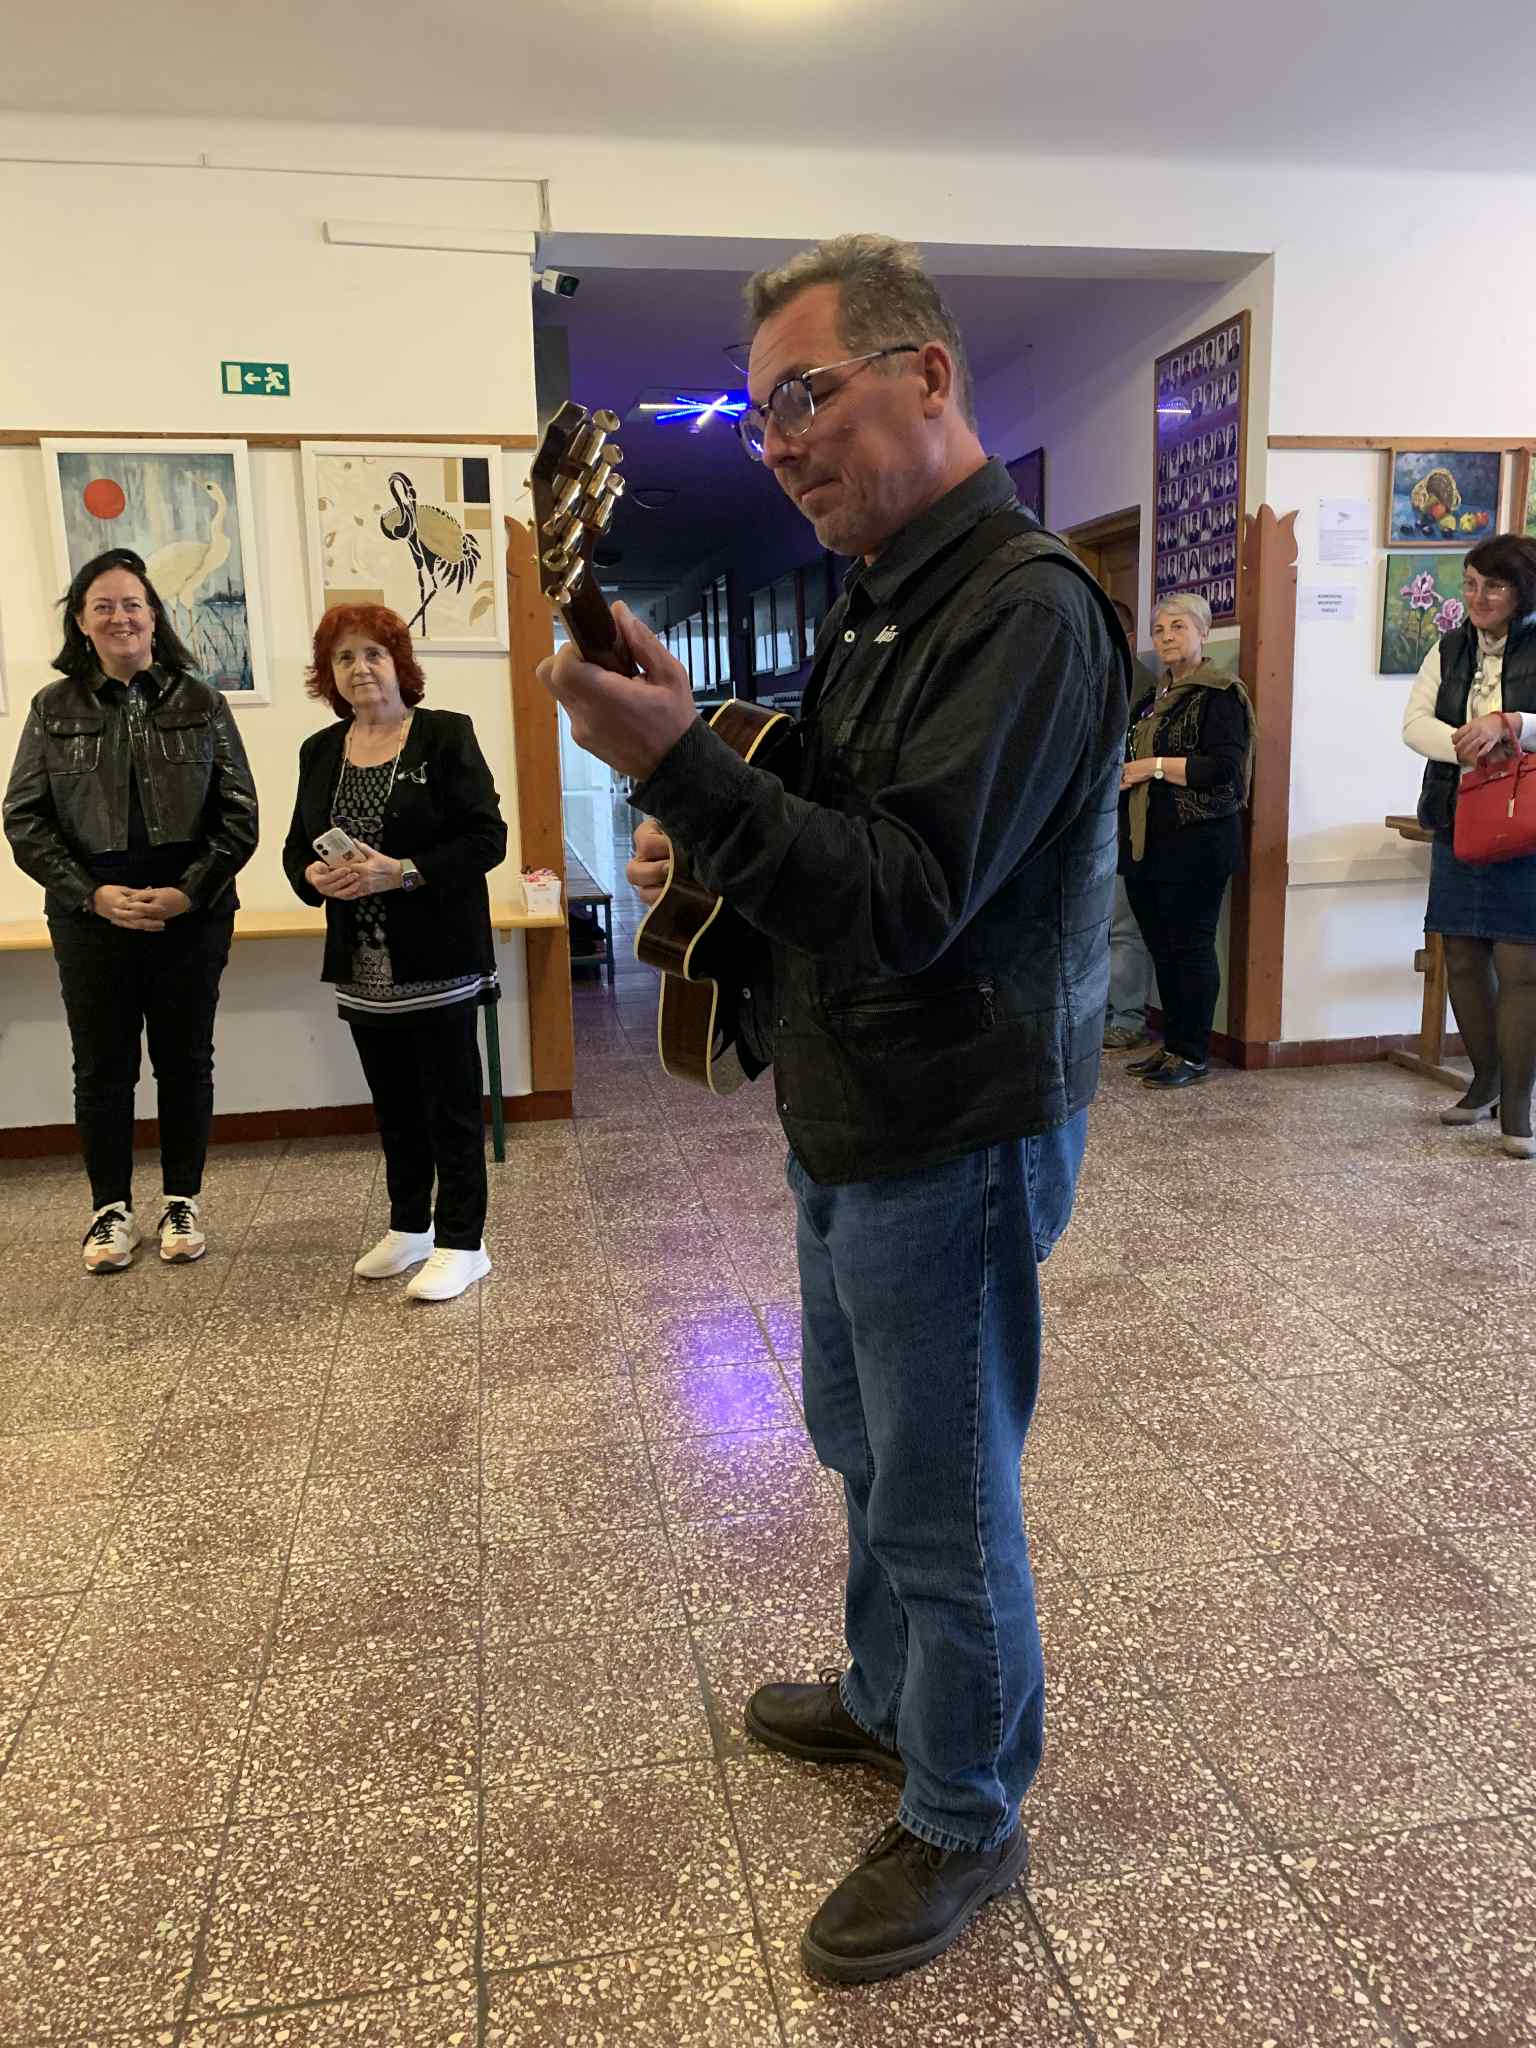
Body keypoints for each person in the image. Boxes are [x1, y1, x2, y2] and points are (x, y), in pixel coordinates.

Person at [541, 234, 1128, 1985]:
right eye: (762, 414)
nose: (779, 441)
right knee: (863, 1441)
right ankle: (888, 1696)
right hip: (853, 1093)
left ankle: (965, 1806)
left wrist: (675, 768)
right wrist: (705, 745)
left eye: (805, 394)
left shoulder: (1024, 609)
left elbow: (904, 892)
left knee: (943, 1490)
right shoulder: (883, 594)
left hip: (955, 1118)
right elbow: (833, 793)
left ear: (926, 373)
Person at [3, 548, 258, 1273]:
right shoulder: (52, 708)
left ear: (154, 615)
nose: (120, 617)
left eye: (132, 603)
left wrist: (188, 891)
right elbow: (25, 818)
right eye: (103, 606)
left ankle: (182, 1200)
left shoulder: (201, 701)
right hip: (90, 913)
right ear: (82, 624)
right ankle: (109, 1209)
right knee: (102, 1066)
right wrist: (91, 894)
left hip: (191, 909)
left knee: (186, 1059)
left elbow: (238, 814)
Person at [282, 605, 507, 1299]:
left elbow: (486, 839)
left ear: (399, 663)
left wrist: (403, 871)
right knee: (395, 1108)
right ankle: (411, 1226)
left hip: (439, 960)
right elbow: (295, 850)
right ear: (329, 674)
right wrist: (313, 877)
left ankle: (464, 1242)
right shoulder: (320, 751)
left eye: (374, 654)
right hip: (364, 968)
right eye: (344, 657)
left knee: (451, 1109)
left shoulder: (445, 735)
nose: (360, 669)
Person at [1402, 535, 1536, 1159]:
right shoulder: (1450, 646)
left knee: (1520, 965)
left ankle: (1519, 1106)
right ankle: (1484, 1080)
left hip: (1526, 824)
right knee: (1460, 954)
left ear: (1523, 591)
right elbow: (1414, 724)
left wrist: (1513, 726)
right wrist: (1472, 743)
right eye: (1471, 583)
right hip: (1460, 816)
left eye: (1494, 586)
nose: (1478, 598)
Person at [1119, 591, 1255, 1090]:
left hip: (1197, 844)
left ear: (1203, 632)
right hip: (1146, 844)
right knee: (1162, 948)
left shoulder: (1221, 694)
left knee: (1191, 948)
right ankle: (1172, 1044)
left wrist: (1151, 767)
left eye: (1178, 627)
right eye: (1159, 630)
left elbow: (1222, 768)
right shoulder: (1152, 698)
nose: (1167, 637)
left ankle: (1193, 1052)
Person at [1103, 597, 1162, 1050]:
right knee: (1097, 926)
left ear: (1125, 637)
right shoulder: (1095, 674)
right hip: (1093, 824)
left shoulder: (1143, 688)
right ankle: (1103, 1012)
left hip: (1125, 822)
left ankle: (1126, 1017)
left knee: (1123, 927)